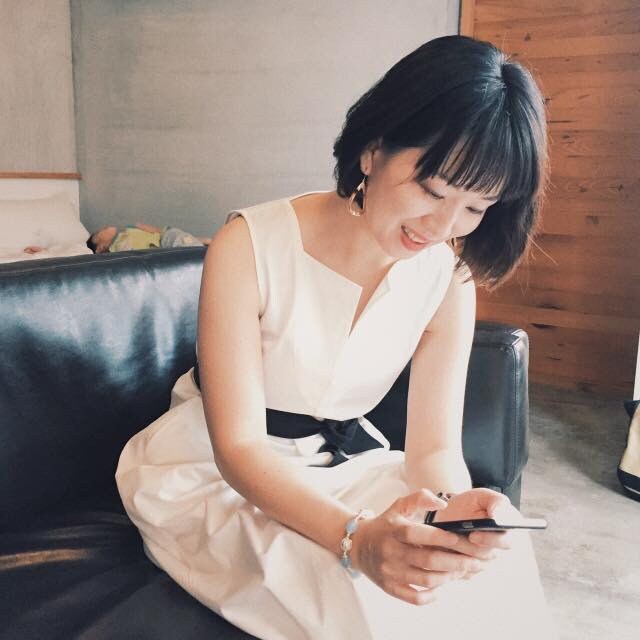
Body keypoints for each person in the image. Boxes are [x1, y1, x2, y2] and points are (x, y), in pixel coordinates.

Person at [116, 35, 556, 639]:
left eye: (476, 208)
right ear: (373, 150)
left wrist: (455, 516)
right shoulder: (249, 244)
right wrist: (356, 538)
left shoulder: (448, 277)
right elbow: (239, 448)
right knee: (358, 593)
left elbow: (432, 451)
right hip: (217, 473)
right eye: (432, 190)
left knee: (484, 581)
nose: (443, 226)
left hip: (346, 463)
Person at [85, 223, 211, 253]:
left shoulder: (129, 228)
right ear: (100, 247)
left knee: (181, 240)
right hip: (162, 250)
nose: (105, 227)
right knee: (187, 247)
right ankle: (203, 245)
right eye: (100, 232)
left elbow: (156, 230)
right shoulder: (116, 248)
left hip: (164, 238)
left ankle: (203, 242)